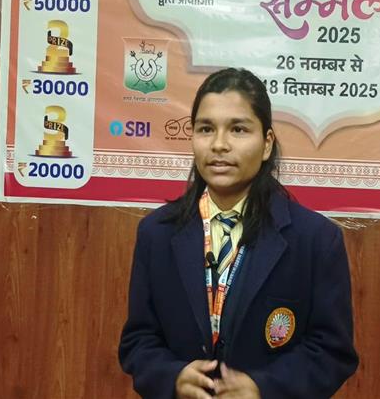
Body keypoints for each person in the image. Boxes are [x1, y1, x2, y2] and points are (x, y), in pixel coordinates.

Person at [119, 68, 358, 399]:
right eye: (206, 129)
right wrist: (173, 378)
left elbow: (331, 351)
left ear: (266, 144)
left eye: (238, 129)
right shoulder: (156, 234)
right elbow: (138, 341)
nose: (219, 145)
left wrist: (264, 387)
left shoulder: (315, 240)